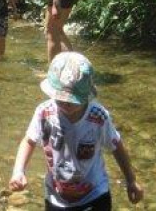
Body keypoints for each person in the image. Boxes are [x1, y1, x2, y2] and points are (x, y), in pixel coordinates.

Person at [9, 52, 144, 210]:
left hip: (95, 193)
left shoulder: (98, 117)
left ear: (86, 96)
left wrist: (131, 180)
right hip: (56, 196)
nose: (65, 105)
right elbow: (29, 140)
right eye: (60, 100)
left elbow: (116, 147)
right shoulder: (44, 112)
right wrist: (18, 171)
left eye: (71, 101)